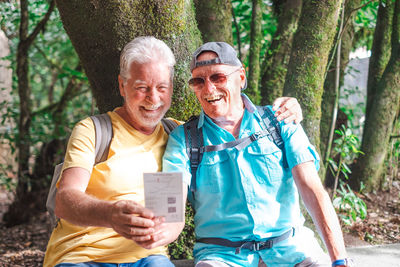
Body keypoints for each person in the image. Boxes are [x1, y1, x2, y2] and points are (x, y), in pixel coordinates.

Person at [43, 37, 303, 267]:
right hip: (81, 255)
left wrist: (289, 109)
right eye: (141, 87)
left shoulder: (179, 137)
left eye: (162, 88)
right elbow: (65, 200)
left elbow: (169, 215)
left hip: (148, 257)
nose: (153, 98)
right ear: (122, 86)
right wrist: (110, 214)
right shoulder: (95, 130)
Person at [162, 42, 352, 267]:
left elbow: (312, 188)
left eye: (218, 77)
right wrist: (148, 228)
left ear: (241, 77)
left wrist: (339, 259)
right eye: (198, 81)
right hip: (221, 258)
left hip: (293, 251)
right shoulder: (183, 140)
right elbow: (167, 209)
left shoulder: (280, 121)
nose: (208, 89)